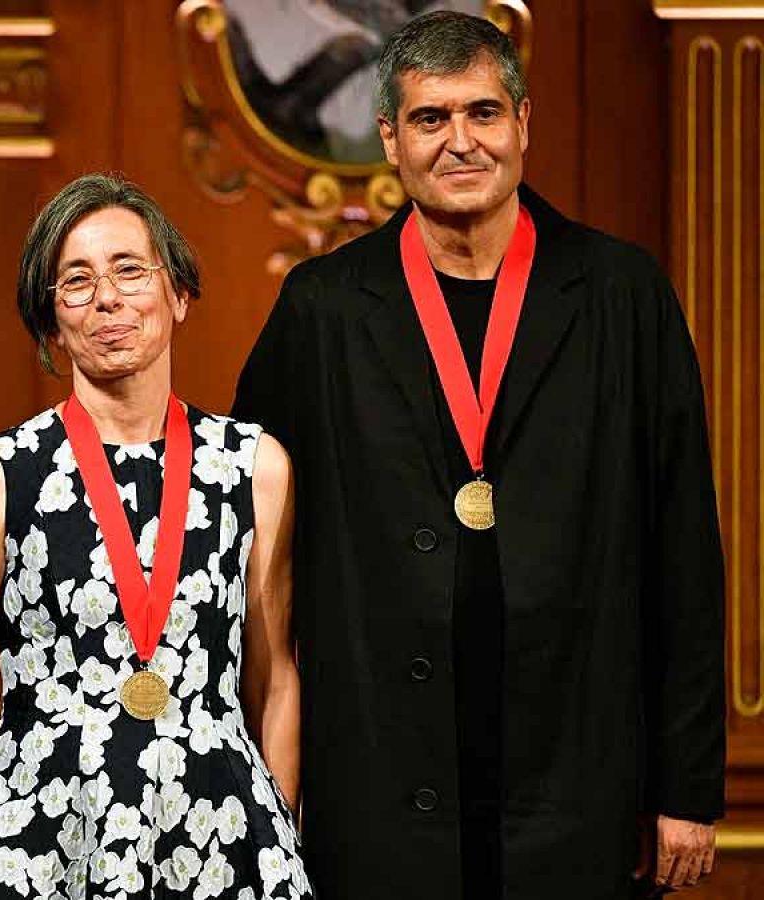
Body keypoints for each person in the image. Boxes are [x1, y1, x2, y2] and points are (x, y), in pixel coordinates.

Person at [233, 11, 725, 898]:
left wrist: (686, 786)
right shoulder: (323, 311)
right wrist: (263, 788)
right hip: (378, 786)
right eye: (430, 119)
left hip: (579, 786)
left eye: (483, 114)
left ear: (523, 124)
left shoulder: (623, 295)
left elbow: (683, 551)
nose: (460, 142)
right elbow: (250, 552)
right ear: (390, 138)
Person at [0, 174, 310, 899]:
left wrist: (273, 827)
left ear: (178, 295)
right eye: (76, 282)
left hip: (219, 835)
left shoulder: (254, 466)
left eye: (130, 270)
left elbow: (275, 676)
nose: (108, 299)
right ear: (51, 322)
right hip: (36, 833)